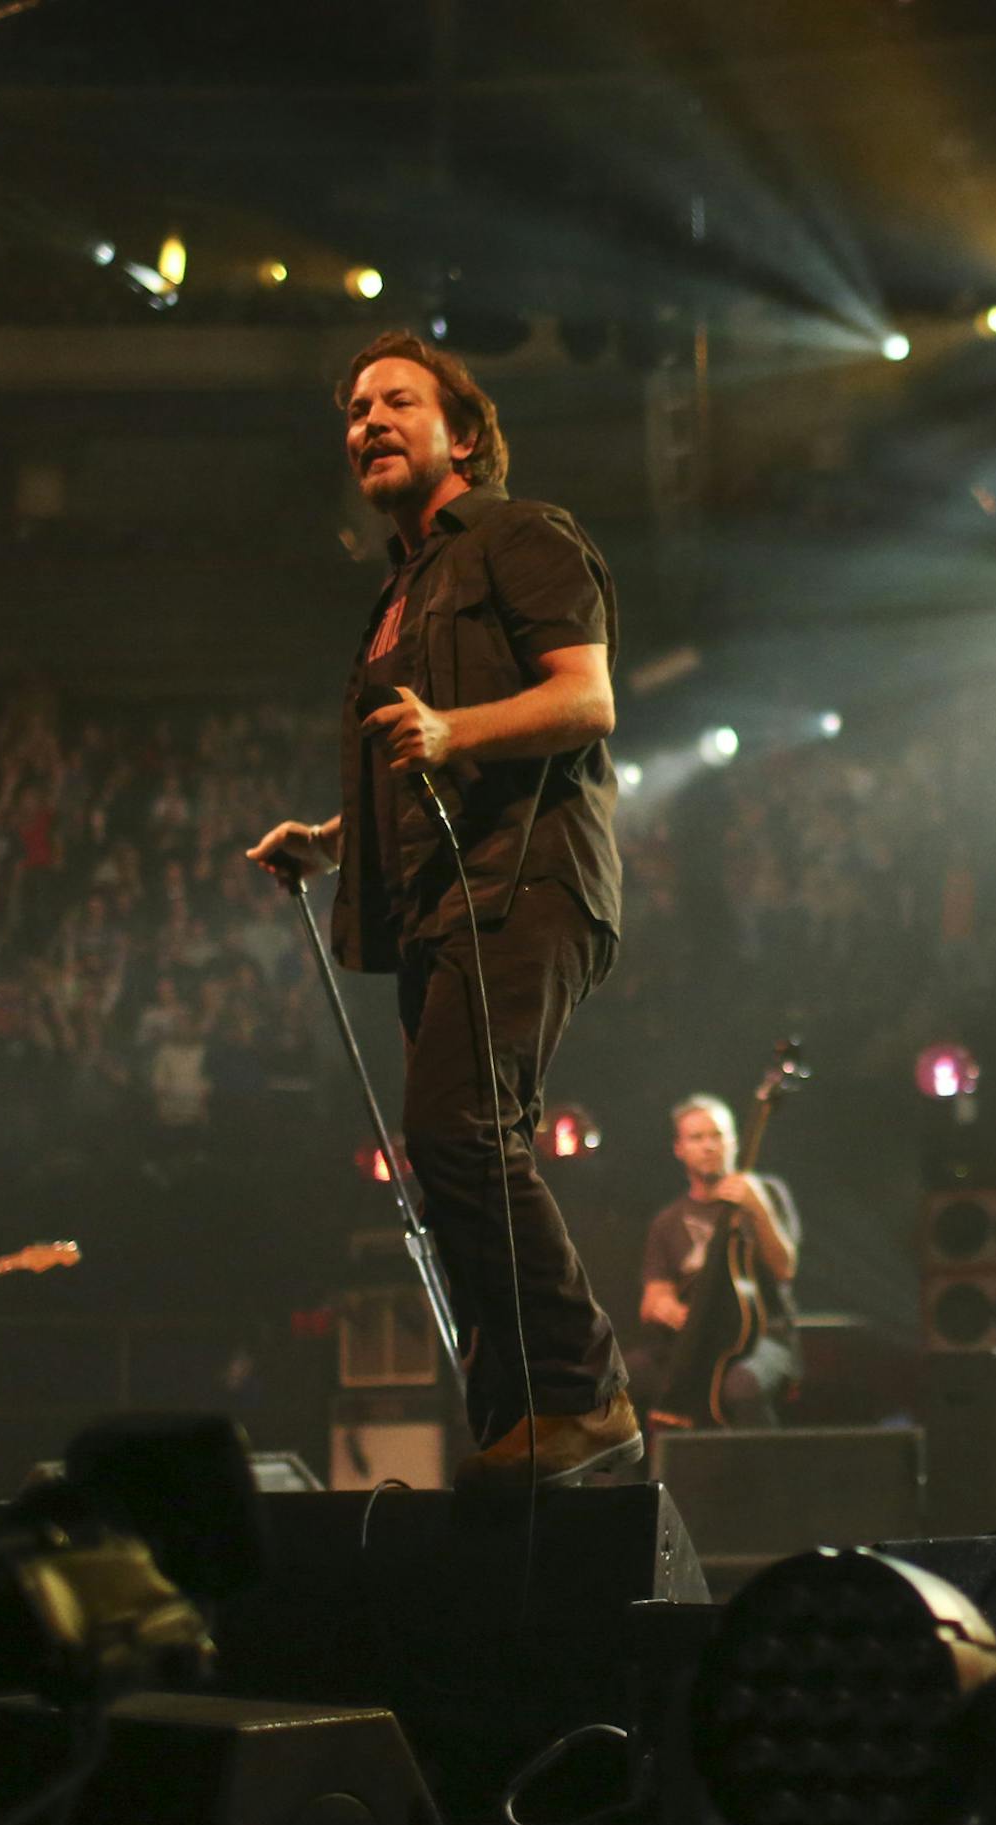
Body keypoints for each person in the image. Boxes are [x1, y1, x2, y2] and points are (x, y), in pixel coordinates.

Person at [247, 331, 635, 1492]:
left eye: (395, 401)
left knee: (462, 1130)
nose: (366, 419)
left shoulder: (522, 536)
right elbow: (418, 758)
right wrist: (334, 838)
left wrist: (458, 730)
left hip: (526, 876)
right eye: (355, 407)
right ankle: (523, 1425)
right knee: (458, 1143)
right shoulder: (397, 593)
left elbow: (589, 696)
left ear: (460, 432)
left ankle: (588, 1393)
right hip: (435, 900)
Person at [640, 1094, 802, 1428]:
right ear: (679, 1149)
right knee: (617, 1381)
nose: (709, 1146)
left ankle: (767, 1474)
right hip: (698, 1342)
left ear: (734, 1142)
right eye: (697, 1138)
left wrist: (757, 1206)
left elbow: (785, 1268)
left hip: (765, 1338)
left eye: (717, 1135)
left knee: (740, 1388)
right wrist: (665, 1307)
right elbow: (652, 1298)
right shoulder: (667, 1222)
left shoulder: (768, 1193)